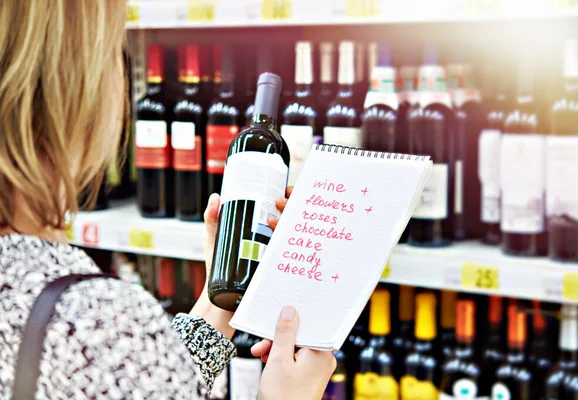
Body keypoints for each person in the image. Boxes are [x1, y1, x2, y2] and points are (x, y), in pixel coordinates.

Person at [0, 1, 336, 399]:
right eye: (115, 53)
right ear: (74, 90)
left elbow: (136, 384)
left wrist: (218, 299)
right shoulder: (95, 320)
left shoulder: (46, 293)